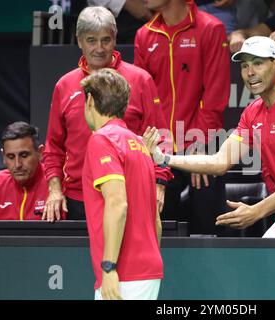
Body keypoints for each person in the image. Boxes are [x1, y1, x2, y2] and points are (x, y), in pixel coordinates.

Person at [143, 36, 275, 238]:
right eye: (245, 66)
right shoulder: (253, 113)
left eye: (258, 64)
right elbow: (220, 161)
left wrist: (257, 211)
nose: (250, 72)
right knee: (261, 272)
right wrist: (164, 159)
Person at [43, 6, 172, 222]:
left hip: (131, 194)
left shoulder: (141, 80)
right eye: (91, 40)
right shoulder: (64, 86)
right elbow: (53, 147)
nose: (100, 48)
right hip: (78, 198)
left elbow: (161, 139)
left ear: (115, 38)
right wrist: (54, 189)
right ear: (79, 40)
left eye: (106, 40)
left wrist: (159, 184)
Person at [134, 0, 231, 235]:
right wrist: (154, 149)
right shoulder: (144, 35)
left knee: (210, 230)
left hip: (202, 144)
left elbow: (215, 95)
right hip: (160, 147)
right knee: (160, 231)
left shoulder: (210, 29)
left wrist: (200, 144)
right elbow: (143, 99)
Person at [81, 68, 163, 300]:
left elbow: (117, 204)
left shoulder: (102, 140)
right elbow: (155, 219)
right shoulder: (139, 145)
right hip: (147, 269)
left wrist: (108, 268)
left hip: (123, 273)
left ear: (89, 101)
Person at [0, 122, 57, 221]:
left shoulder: (56, 184)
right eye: (11, 157)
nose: (18, 164)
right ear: (3, 157)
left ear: (40, 153)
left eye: (24, 155)